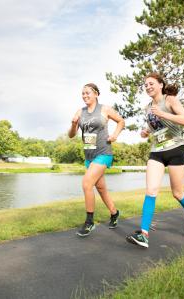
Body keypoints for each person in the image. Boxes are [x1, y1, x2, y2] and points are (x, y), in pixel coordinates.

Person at [126, 73, 184, 248]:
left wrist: (163, 114)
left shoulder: (170, 100)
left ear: (160, 84)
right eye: (145, 85)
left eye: (151, 83)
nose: (148, 87)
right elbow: (156, 128)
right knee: (151, 190)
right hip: (157, 151)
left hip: (175, 150)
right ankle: (144, 234)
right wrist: (146, 132)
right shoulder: (147, 108)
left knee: (177, 192)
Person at [68, 83, 125, 237]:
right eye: (83, 93)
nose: (85, 95)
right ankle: (114, 213)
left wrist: (115, 135)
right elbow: (71, 135)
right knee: (101, 189)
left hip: (103, 153)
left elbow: (121, 121)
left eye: (88, 93)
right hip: (89, 156)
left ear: (96, 94)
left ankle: (89, 222)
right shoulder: (80, 112)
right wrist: (74, 124)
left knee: (87, 184)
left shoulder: (104, 109)